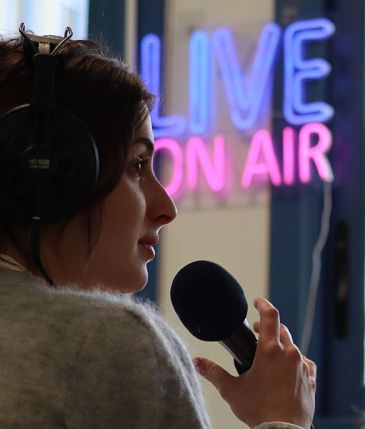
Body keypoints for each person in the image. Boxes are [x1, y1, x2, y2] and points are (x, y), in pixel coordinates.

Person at [0, 26, 316, 428]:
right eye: (136, 166)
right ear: (47, 174)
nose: (166, 208)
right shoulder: (113, 343)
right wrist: (282, 418)